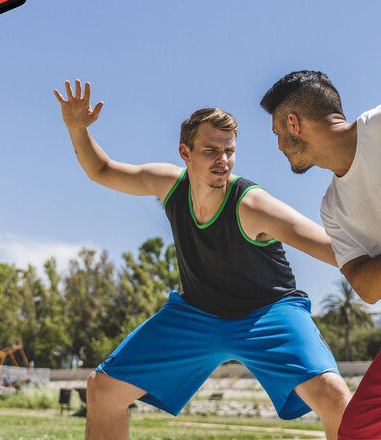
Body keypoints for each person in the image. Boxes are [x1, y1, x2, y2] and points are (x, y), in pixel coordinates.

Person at [54, 79, 350, 440]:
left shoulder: (252, 205)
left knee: (335, 398)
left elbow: (333, 247)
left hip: (268, 313)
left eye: (229, 150)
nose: (222, 160)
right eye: (211, 150)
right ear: (186, 152)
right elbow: (101, 170)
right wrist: (77, 129)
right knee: (103, 388)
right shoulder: (169, 185)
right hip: (196, 313)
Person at [261, 70, 381, 440]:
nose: (279, 146)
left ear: (294, 124)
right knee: (357, 432)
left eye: (278, 134)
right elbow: (367, 287)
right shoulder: (332, 208)